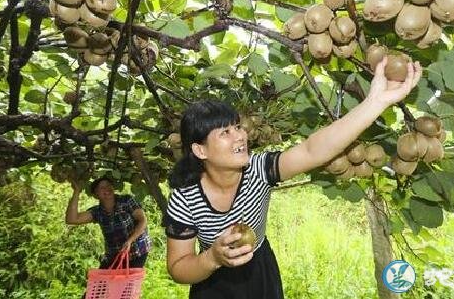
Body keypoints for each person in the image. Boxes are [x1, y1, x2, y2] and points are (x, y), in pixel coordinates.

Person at [164, 57, 422, 299]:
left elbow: (313, 149)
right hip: (211, 280)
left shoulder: (258, 170)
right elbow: (178, 267)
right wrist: (213, 259)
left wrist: (376, 101)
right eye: (225, 133)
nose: (240, 136)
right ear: (200, 150)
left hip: (259, 270)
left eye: (238, 127)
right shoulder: (185, 198)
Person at [65, 176, 152, 269]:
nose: (107, 188)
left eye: (108, 185)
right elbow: (72, 219)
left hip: (137, 250)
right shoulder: (97, 212)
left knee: (127, 281)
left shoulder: (126, 200)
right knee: (104, 280)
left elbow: (143, 220)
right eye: (102, 187)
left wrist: (130, 241)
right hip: (115, 254)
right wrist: (76, 191)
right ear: (96, 194)